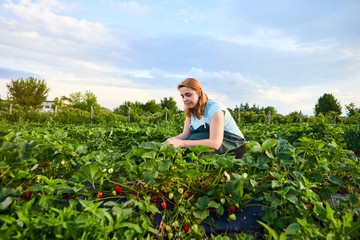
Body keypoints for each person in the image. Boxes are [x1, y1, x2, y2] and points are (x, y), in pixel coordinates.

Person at [164, 78, 247, 158]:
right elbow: (186, 134)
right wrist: (170, 141)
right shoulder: (191, 110)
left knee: (193, 141)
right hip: (214, 143)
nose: (185, 99)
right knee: (190, 142)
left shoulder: (215, 108)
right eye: (182, 96)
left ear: (199, 92)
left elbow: (215, 143)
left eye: (188, 95)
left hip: (233, 146)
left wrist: (182, 143)